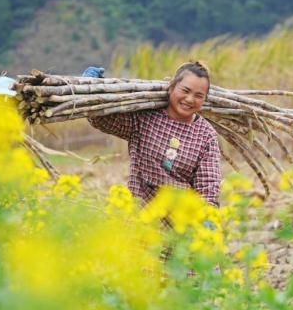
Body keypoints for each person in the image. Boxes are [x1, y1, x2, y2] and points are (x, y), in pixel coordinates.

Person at [86, 61, 221, 207]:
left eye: (198, 96)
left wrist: (208, 215)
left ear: (205, 99)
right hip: (139, 216)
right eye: (185, 90)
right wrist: (91, 90)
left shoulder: (206, 135)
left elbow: (208, 185)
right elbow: (103, 120)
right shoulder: (146, 118)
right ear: (171, 88)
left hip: (180, 222)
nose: (189, 99)